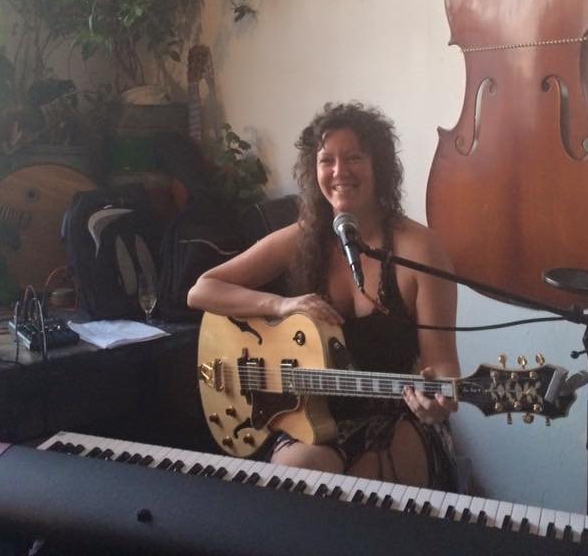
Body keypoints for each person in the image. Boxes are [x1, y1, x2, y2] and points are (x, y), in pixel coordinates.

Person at [187, 102, 460, 490]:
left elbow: (443, 364)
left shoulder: (421, 249)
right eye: (326, 160)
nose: (339, 171)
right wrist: (280, 304)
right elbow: (202, 290)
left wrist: (437, 402)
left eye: (354, 158)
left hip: (397, 413)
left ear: (379, 166)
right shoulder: (302, 239)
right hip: (309, 416)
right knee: (296, 479)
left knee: (368, 483)